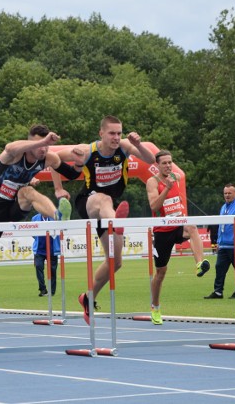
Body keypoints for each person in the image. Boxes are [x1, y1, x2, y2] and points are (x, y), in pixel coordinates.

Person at [0, 124, 83, 332]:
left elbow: (71, 173)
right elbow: (9, 147)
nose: (44, 150)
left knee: (27, 191)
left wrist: (78, 164)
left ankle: (58, 217)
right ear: (31, 142)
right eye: (39, 145)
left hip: (17, 205)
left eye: (46, 147)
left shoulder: (48, 158)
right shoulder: (15, 155)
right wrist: (44, 142)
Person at [51, 115, 156, 324]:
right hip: (89, 202)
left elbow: (151, 160)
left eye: (119, 133)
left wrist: (138, 145)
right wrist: (58, 189)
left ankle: (88, 297)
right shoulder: (87, 150)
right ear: (101, 133)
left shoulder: (125, 148)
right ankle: (116, 223)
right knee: (103, 198)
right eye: (111, 133)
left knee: (115, 262)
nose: (116, 137)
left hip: (110, 209)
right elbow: (53, 159)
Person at [145, 149, 210, 325]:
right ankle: (155, 306)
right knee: (160, 272)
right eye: (164, 163)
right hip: (162, 231)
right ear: (157, 165)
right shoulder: (152, 182)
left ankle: (199, 264)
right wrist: (167, 187)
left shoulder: (178, 177)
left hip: (178, 225)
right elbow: (154, 205)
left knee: (192, 227)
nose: (168, 166)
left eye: (170, 162)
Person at [204, 183, 235, 299]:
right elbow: (221, 225)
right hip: (223, 245)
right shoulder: (223, 207)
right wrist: (219, 241)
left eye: (230, 193)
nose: (227, 195)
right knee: (219, 268)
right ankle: (218, 292)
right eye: (225, 193)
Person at [31, 213, 61, 297]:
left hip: (52, 250)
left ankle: (52, 291)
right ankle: (42, 289)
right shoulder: (34, 218)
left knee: (52, 270)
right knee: (38, 267)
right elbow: (32, 234)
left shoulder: (54, 217)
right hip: (39, 250)